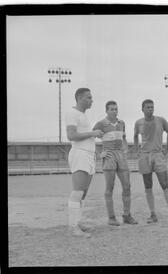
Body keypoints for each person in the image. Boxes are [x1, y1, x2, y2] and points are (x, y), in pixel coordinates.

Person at [65, 88, 104, 237]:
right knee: (78, 191)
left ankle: (78, 222)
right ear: (80, 98)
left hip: (88, 156)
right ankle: (73, 227)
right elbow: (71, 135)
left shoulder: (83, 116)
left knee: (84, 193)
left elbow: (85, 136)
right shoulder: (72, 113)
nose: (91, 100)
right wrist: (93, 133)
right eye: (89, 97)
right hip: (79, 155)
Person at [93, 101, 138, 226]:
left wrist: (125, 149)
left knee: (127, 186)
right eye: (112, 109)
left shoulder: (121, 123)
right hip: (109, 156)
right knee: (110, 187)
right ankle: (111, 218)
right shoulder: (101, 124)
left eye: (116, 109)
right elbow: (90, 138)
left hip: (120, 155)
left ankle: (127, 215)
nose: (114, 111)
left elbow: (123, 138)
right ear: (106, 111)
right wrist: (99, 154)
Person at [134, 99, 168, 226]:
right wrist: (137, 150)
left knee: (165, 184)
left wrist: (166, 149)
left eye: (152, 107)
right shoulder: (138, 123)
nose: (150, 109)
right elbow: (135, 136)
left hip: (158, 155)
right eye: (147, 107)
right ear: (142, 109)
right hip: (145, 156)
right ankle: (153, 214)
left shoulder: (161, 120)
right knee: (148, 186)